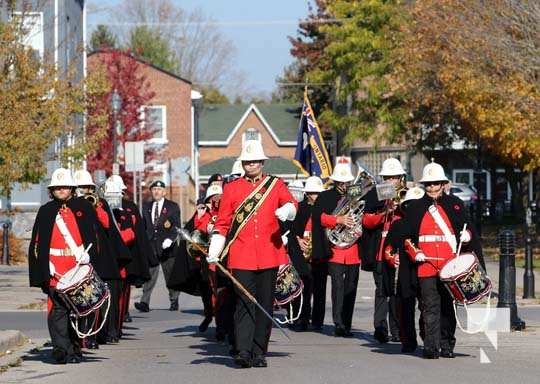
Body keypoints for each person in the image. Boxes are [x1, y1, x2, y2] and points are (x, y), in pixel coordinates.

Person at [207, 139, 297, 368]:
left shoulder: (275, 185)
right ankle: (243, 350)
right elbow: (224, 221)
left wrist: (286, 210)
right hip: (242, 255)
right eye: (248, 161)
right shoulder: (232, 188)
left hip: (269, 253)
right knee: (244, 303)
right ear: (243, 163)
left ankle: (259, 351)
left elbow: (292, 204)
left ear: (262, 162)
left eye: (255, 161)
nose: (252, 164)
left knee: (264, 304)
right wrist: (216, 246)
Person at [403, 161, 484, 359]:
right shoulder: (414, 207)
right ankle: (431, 347)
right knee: (430, 307)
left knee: (448, 308)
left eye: (436, 183)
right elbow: (406, 238)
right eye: (429, 184)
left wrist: (468, 237)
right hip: (426, 266)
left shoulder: (455, 204)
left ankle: (447, 344)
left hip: (450, 267)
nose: (432, 187)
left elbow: (469, 229)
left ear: (443, 184)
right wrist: (415, 253)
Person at [28, 168, 98, 364]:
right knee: (58, 310)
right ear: (52, 190)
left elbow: (94, 235)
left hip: (77, 267)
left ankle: (75, 350)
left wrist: (89, 256)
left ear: (71, 188)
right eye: (57, 187)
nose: (61, 190)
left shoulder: (84, 207)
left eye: (64, 186)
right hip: (55, 268)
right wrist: (44, 264)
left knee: (78, 311)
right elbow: (37, 242)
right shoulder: (46, 210)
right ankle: (60, 349)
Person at [74, 170, 130, 346]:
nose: (86, 190)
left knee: (99, 299)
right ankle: (85, 336)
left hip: (101, 258)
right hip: (80, 256)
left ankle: (99, 333)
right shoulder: (70, 205)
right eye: (82, 187)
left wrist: (96, 208)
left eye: (88, 187)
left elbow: (107, 225)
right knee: (84, 299)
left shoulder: (100, 204)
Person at [312, 157, 361, 337]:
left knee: (351, 289)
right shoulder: (326, 196)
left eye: (346, 181)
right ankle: (338, 323)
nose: (343, 185)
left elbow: (364, 214)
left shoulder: (356, 194)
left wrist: (358, 225)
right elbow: (319, 217)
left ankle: (346, 324)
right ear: (335, 181)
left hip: (353, 249)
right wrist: (338, 220)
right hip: (335, 250)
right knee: (338, 288)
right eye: (340, 182)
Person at [362, 158, 406, 343]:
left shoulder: (408, 195)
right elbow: (366, 221)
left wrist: (401, 207)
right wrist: (384, 211)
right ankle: (380, 328)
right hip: (381, 251)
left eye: (394, 177)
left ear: (401, 178)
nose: (390, 181)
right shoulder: (375, 195)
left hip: (401, 251)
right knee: (382, 291)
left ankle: (397, 329)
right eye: (387, 177)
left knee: (399, 293)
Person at [382, 186, 425, 353]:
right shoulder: (398, 225)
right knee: (405, 308)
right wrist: (393, 258)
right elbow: (388, 249)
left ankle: (427, 336)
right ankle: (408, 341)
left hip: (424, 271)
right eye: (409, 205)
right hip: (405, 274)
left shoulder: (428, 225)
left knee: (427, 307)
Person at [135, 180, 181, 312]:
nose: (156, 191)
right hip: (152, 248)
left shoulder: (172, 207)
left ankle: (174, 300)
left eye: (159, 189)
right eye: (154, 189)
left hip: (168, 249)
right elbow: (143, 227)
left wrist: (170, 239)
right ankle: (144, 302)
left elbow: (176, 226)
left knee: (170, 276)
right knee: (149, 277)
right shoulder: (146, 206)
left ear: (164, 192)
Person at [288, 176, 325, 331]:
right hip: (302, 252)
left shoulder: (324, 208)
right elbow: (290, 229)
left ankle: (317, 321)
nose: (316, 196)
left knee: (320, 288)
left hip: (320, 251)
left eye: (318, 193)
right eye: (313, 193)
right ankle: (301, 318)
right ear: (307, 193)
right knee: (303, 286)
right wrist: (298, 240)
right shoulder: (300, 208)